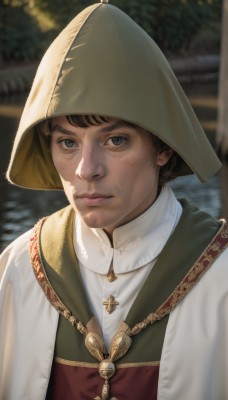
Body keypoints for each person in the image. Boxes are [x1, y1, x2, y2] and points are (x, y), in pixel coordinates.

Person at [0, 1, 227, 399]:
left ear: (163, 149)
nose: (87, 169)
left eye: (115, 140)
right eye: (67, 142)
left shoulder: (221, 278)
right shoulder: (17, 271)